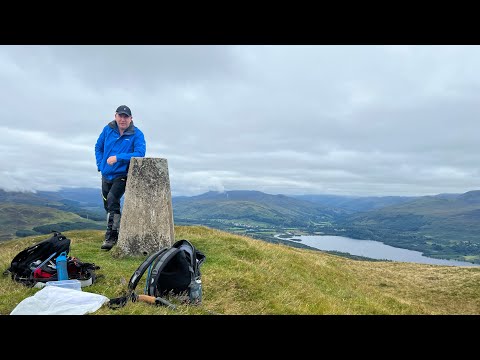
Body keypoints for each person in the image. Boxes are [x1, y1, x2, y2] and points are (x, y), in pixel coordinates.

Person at [94, 105, 146, 250]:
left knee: (112, 199)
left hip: (122, 175)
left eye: (126, 116)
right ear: (115, 116)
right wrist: (100, 164)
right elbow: (98, 147)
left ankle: (111, 237)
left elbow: (140, 153)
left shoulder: (137, 134)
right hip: (106, 174)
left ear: (131, 119)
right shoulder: (108, 129)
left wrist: (118, 157)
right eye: (120, 116)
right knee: (108, 204)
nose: (123, 119)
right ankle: (116, 228)